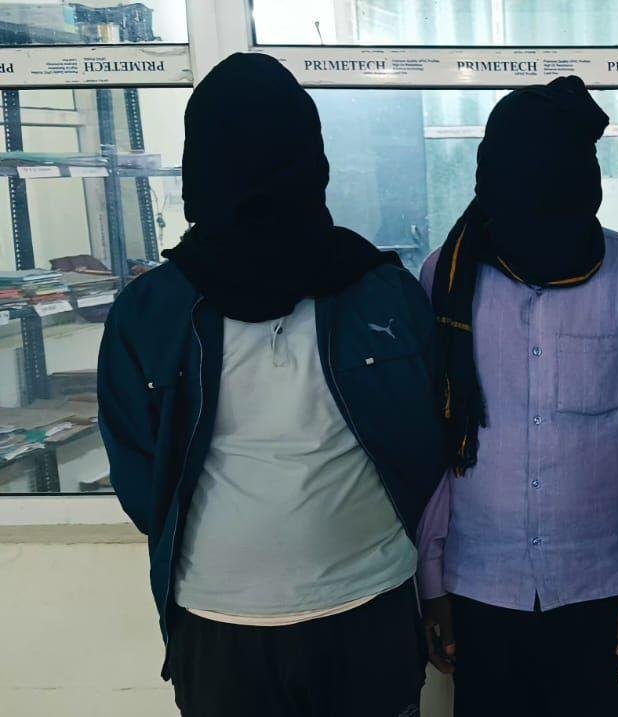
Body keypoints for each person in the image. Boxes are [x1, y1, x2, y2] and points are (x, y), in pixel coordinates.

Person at [96, 52, 445, 716]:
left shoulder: (381, 293)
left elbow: (426, 438)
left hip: (368, 606)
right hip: (220, 622)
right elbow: (141, 475)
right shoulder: (152, 313)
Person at [414, 76, 618, 717]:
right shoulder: (446, 278)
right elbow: (433, 443)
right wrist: (432, 581)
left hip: (603, 591)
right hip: (480, 592)